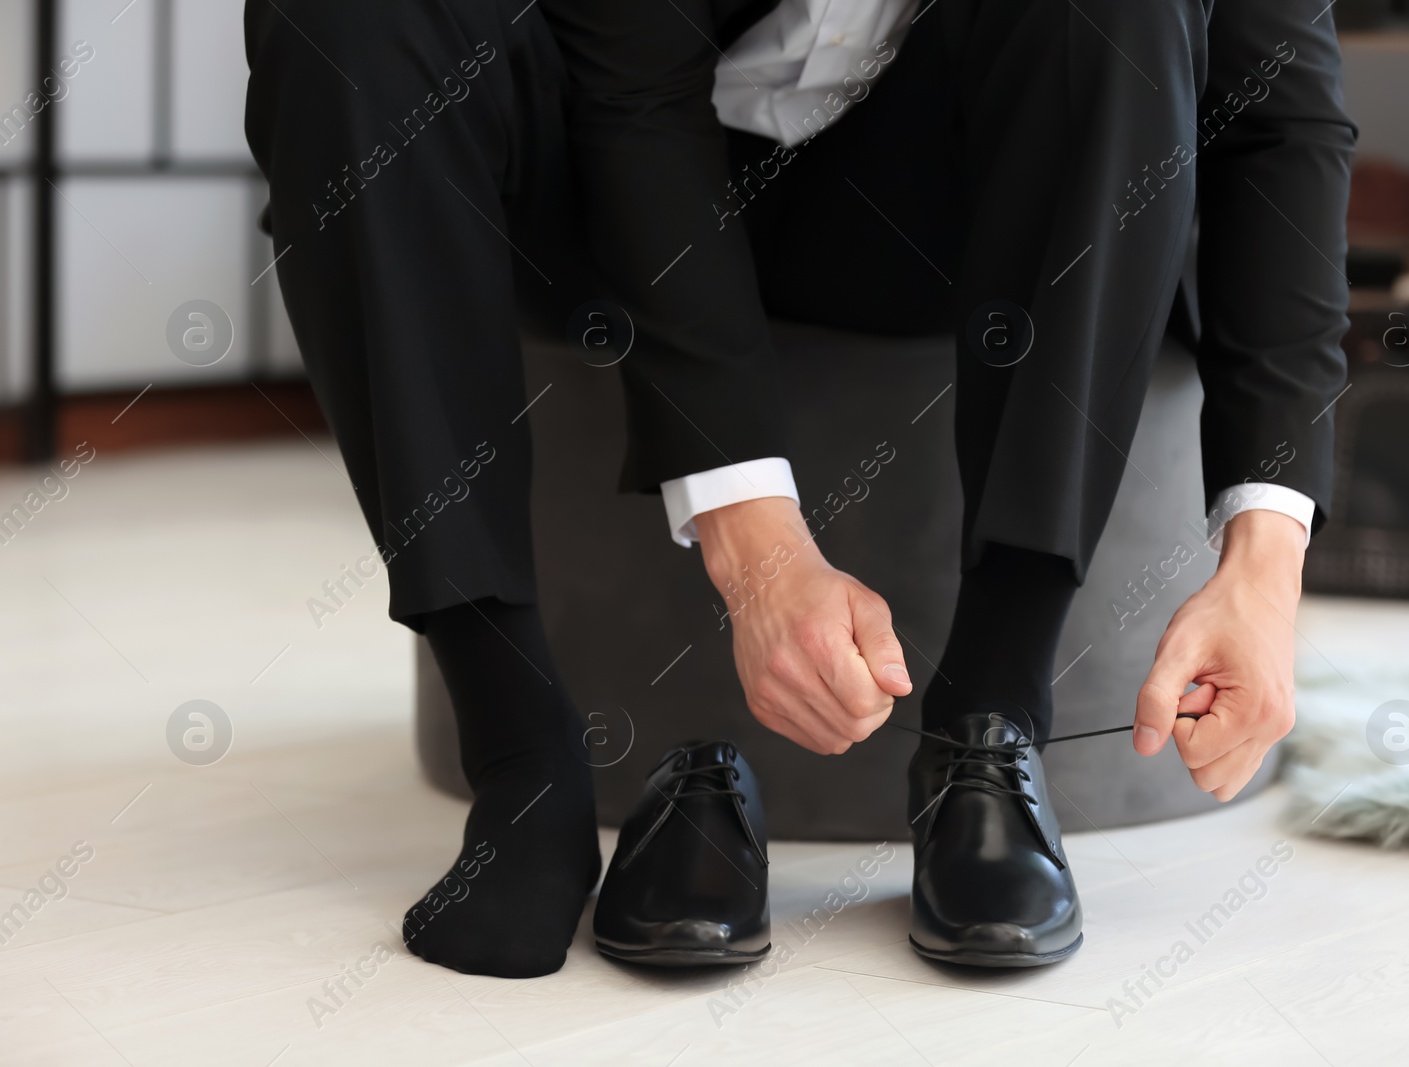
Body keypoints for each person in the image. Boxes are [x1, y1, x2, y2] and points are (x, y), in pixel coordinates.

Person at [243, 0, 1352, 976]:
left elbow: (1280, 113)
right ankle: (520, 749)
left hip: (947, 195)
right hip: (605, 151)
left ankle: (989, 718)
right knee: (343, 15)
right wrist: (760, 548)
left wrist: (1265, 559)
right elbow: (634, 88)